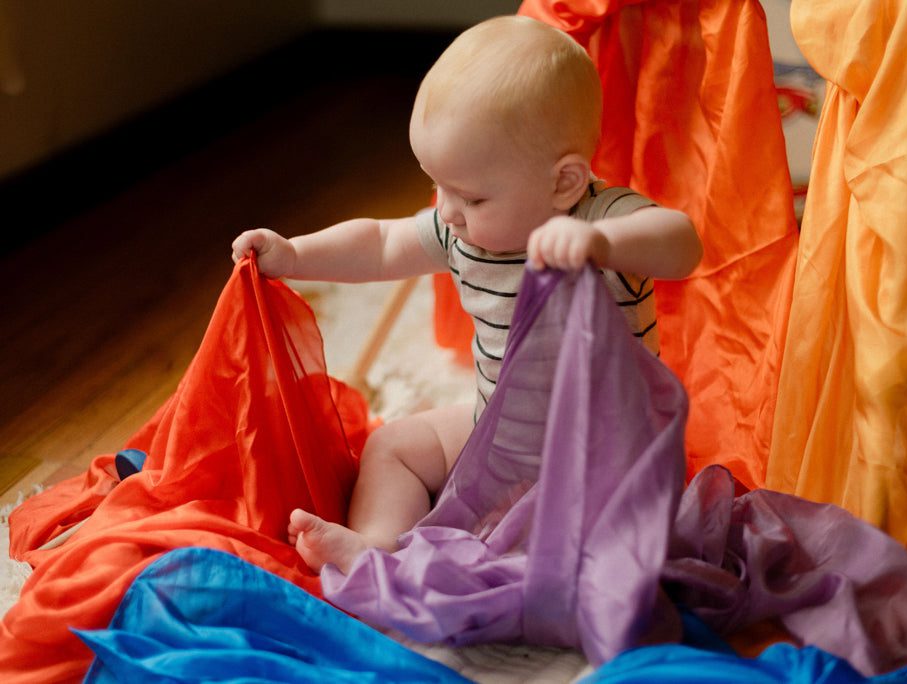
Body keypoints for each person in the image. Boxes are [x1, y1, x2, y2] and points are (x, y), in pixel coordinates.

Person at [231, 15, 703, 574]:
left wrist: (599, 243)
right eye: (439, 186)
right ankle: (377, 548)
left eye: (472, 198)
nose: (448, 211)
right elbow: (381, 242)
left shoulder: (598, 221)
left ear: (564, 183)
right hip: (499, 440)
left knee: (587, 558)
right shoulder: (461, 232)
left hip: (608, 460)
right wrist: (296, 255)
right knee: (394, 447)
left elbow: (680, 242)